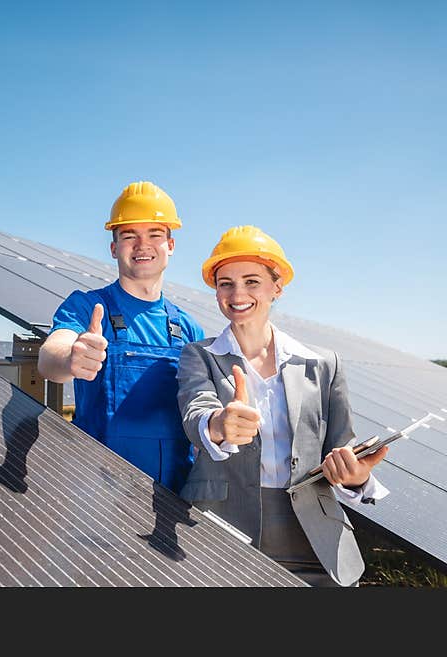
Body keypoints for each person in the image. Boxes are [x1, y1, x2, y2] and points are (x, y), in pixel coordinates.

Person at [176, 225, 389, 586]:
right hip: (221, 525)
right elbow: (196, 412)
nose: (237, 293)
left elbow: (342, 447)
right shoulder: (199, 355)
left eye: (252, 281)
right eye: (225, 283)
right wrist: (219, 424)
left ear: (277, 287)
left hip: (313, 536)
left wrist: (356, 475)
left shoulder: (323, 364)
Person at [38, 181, 205, 493]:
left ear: (170, 245)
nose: (142, 245)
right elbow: (50, 359)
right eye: (129, 236)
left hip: (171, 499)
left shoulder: (189, 328)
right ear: (114, 248)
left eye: (154, 234)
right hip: (97, 497)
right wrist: (71, 356)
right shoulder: (87, 307)